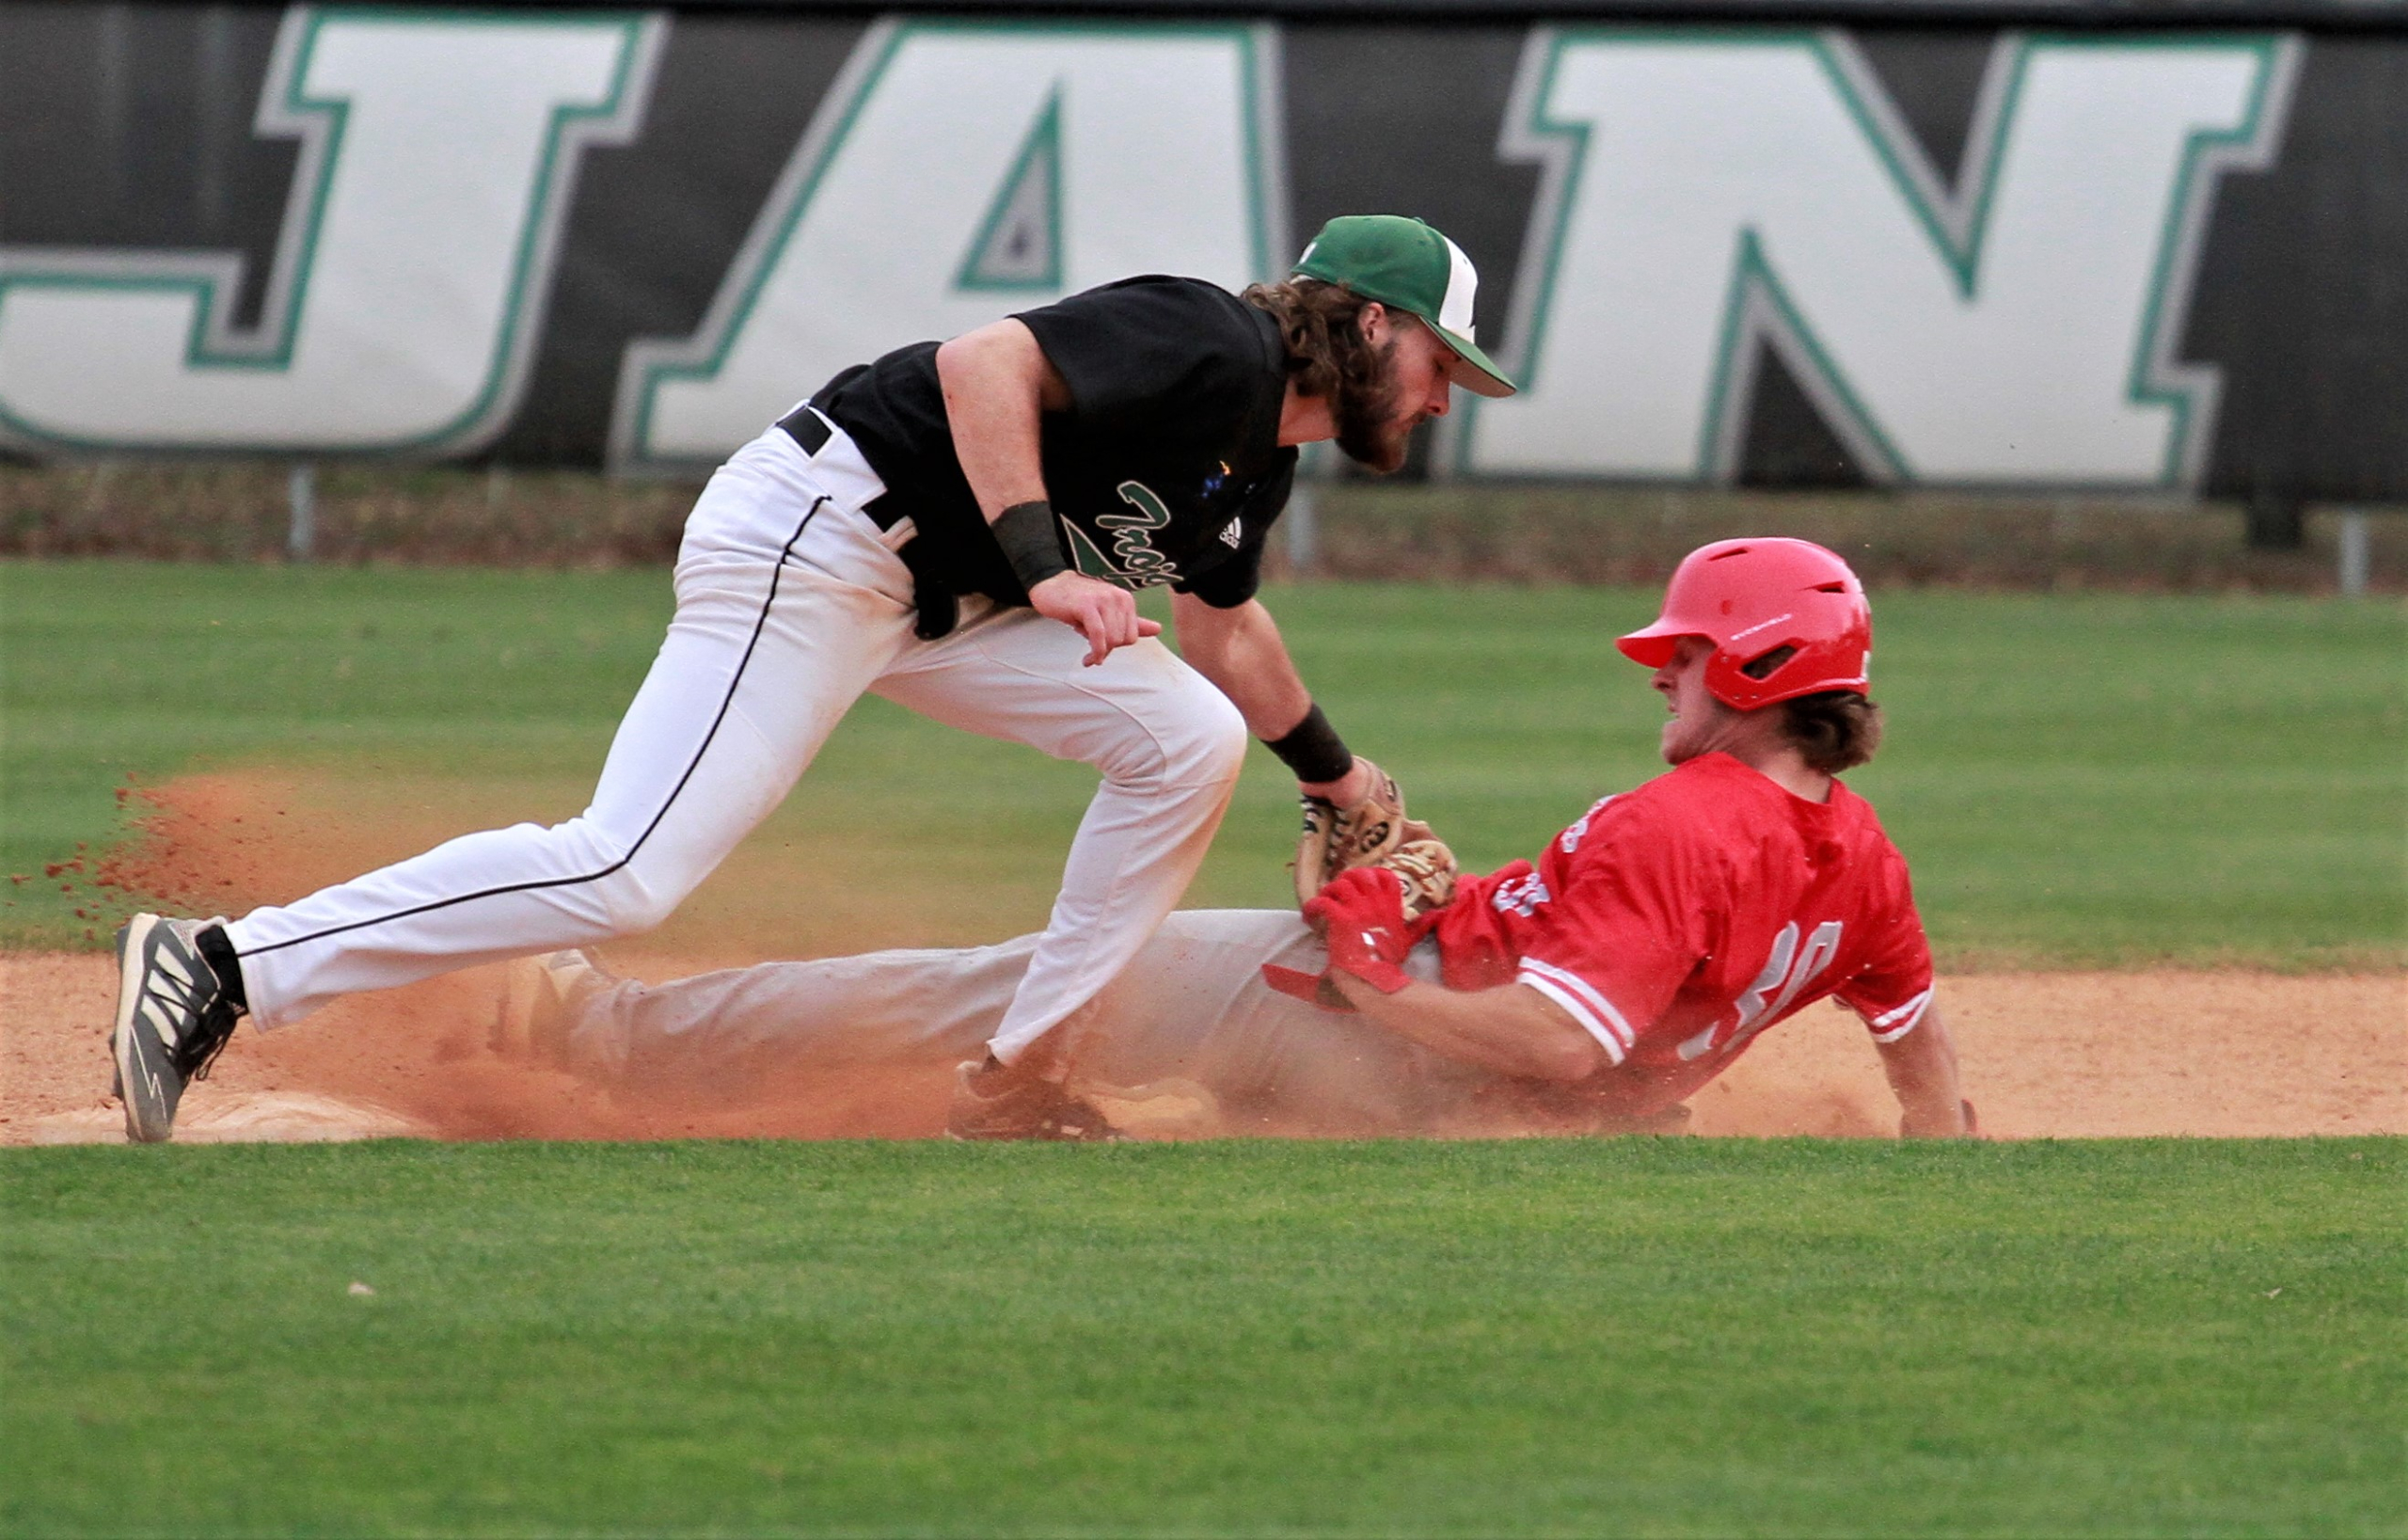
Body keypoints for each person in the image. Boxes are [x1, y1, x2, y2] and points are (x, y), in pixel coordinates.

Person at [104, 214, 1521, 1145]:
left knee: (1185, 737)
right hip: (818, 542)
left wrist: (1342, 779)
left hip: (940, 604)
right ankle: (225, 964)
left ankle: (1021, 1071)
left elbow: (1226, 630)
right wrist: (1043, 564)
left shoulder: (1254, 454)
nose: (1449, 396)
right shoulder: (1213, 337)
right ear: (1374, 323)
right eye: (1445, 360)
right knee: (630, 868)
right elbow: (984, 365)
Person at [493, 539, 1973, 1140]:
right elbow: (1910, 1028)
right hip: (1450, 1105)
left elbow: (1558, 1044)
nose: (1665, 670)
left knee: (1015, 989)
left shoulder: (1681, 824)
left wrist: (1372, 964)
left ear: (1766, 674)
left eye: (1692, 655)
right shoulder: (1865, 858)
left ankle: (608, 1036)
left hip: (1365, 1027)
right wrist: (1939, 1144)